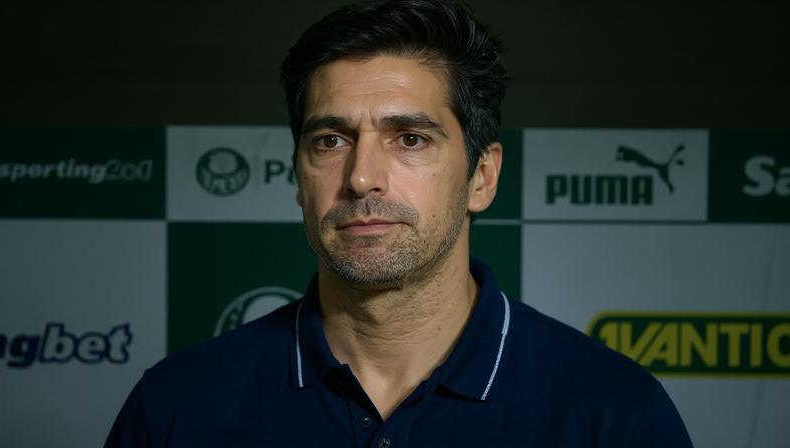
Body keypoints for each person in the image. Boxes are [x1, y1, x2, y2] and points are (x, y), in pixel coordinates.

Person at [105, 1, 694, 446]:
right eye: (330, 140)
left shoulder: (613, 413)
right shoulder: (178, 406)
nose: (361, 178)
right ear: (297, 176)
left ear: (482, 178)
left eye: (409, 139)